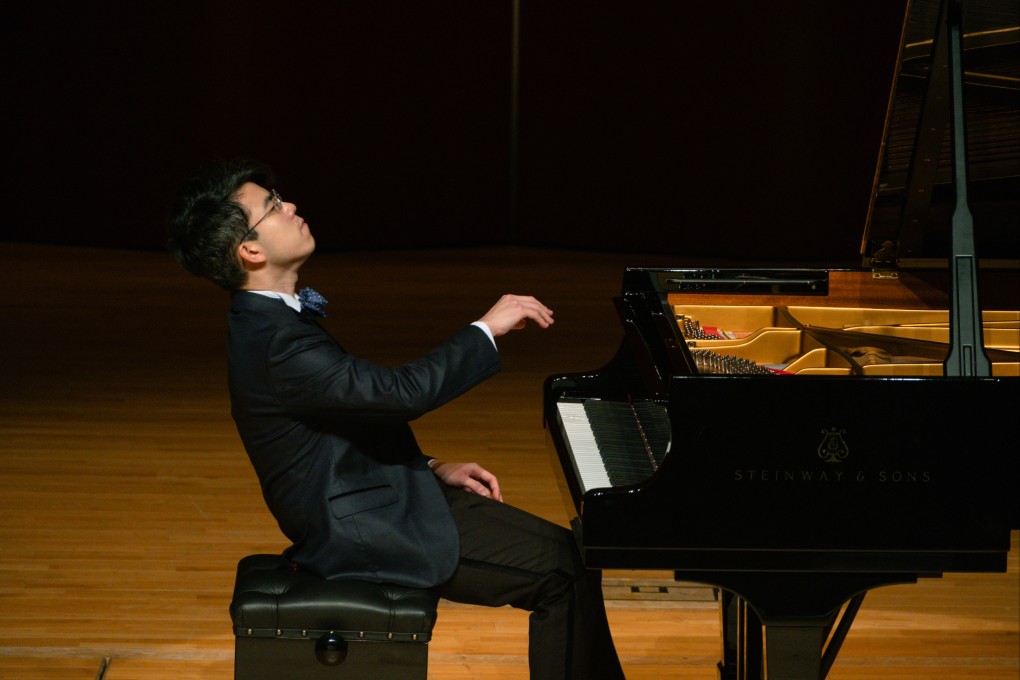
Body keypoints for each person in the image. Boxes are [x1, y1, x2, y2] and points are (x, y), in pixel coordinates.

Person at [167, 159, 625, 680]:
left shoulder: (268, 321)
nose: (289, 205)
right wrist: (485, 328)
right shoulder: (275, 341)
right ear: (250, 251)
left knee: (572, 557)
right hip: (368, 529)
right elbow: (399, 394)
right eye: (271, 206)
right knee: (564, 571)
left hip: (386, 496)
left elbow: (343, 422)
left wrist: (431, 466)